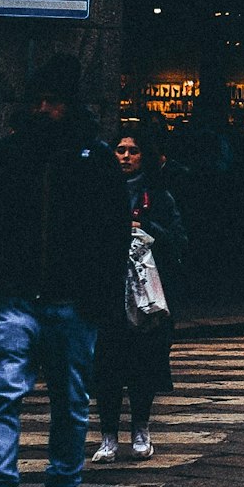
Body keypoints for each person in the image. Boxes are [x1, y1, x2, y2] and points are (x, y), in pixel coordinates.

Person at [0, 52, 131, 487]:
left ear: (69, 105)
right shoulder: (10, 155)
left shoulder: (92, 158)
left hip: (70, 302)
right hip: (18, 299)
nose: (42, 109)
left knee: (70, 400)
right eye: (36, 100)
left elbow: (113, 235)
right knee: (4, 395)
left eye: (51, 101)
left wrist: (100, 298)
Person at [91, 129, 187, 464]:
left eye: (133, 150)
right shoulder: (99, 193)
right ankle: (108, 435)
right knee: (107, 367)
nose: (126, 156)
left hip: (148, 294)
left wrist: (148, 230)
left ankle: (141, 429)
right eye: (120, 150)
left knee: (143, 366)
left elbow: (179, 240)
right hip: (108, 292)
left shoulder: (159, 196)